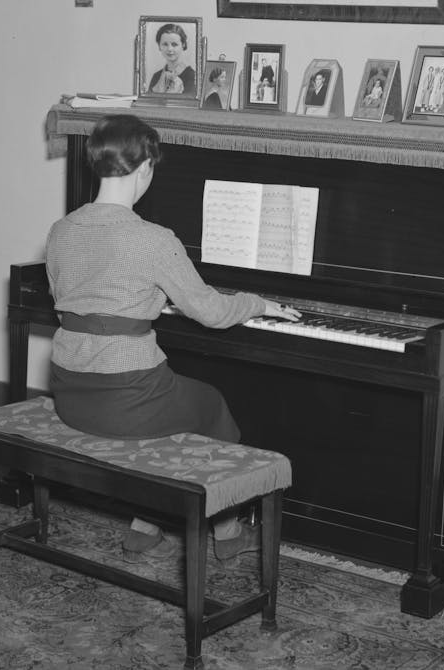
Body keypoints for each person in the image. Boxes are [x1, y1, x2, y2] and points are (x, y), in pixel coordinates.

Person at [45, 114, 301, 562]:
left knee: (178, 396)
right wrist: (258, 303)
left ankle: (146, 522)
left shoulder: (61, 230)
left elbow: (72, 298)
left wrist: (144, 300)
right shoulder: (153, 239)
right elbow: (213, 312)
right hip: (125, 399)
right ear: (144, 166)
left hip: (70, 392)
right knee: (212, 404)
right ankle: (227, 532)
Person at [147, 23, 197, 96]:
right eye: (165, 44)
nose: (169, 49)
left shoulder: (192, 76)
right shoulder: (156, 76)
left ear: (183, 45)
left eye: (174, 44)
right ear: (159, 46)